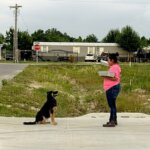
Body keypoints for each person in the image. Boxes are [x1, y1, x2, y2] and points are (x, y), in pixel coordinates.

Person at [101, 53, 121, 127]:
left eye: (108, 60)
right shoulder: (115, 66)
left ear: (112, 60)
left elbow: (115, 78)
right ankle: (113, 120)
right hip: (113, 87)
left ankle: (112, 121)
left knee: (111, 105)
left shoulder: (114, 67)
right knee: (113, 105)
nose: (107, 61)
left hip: (112, 87)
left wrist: (105, 76)